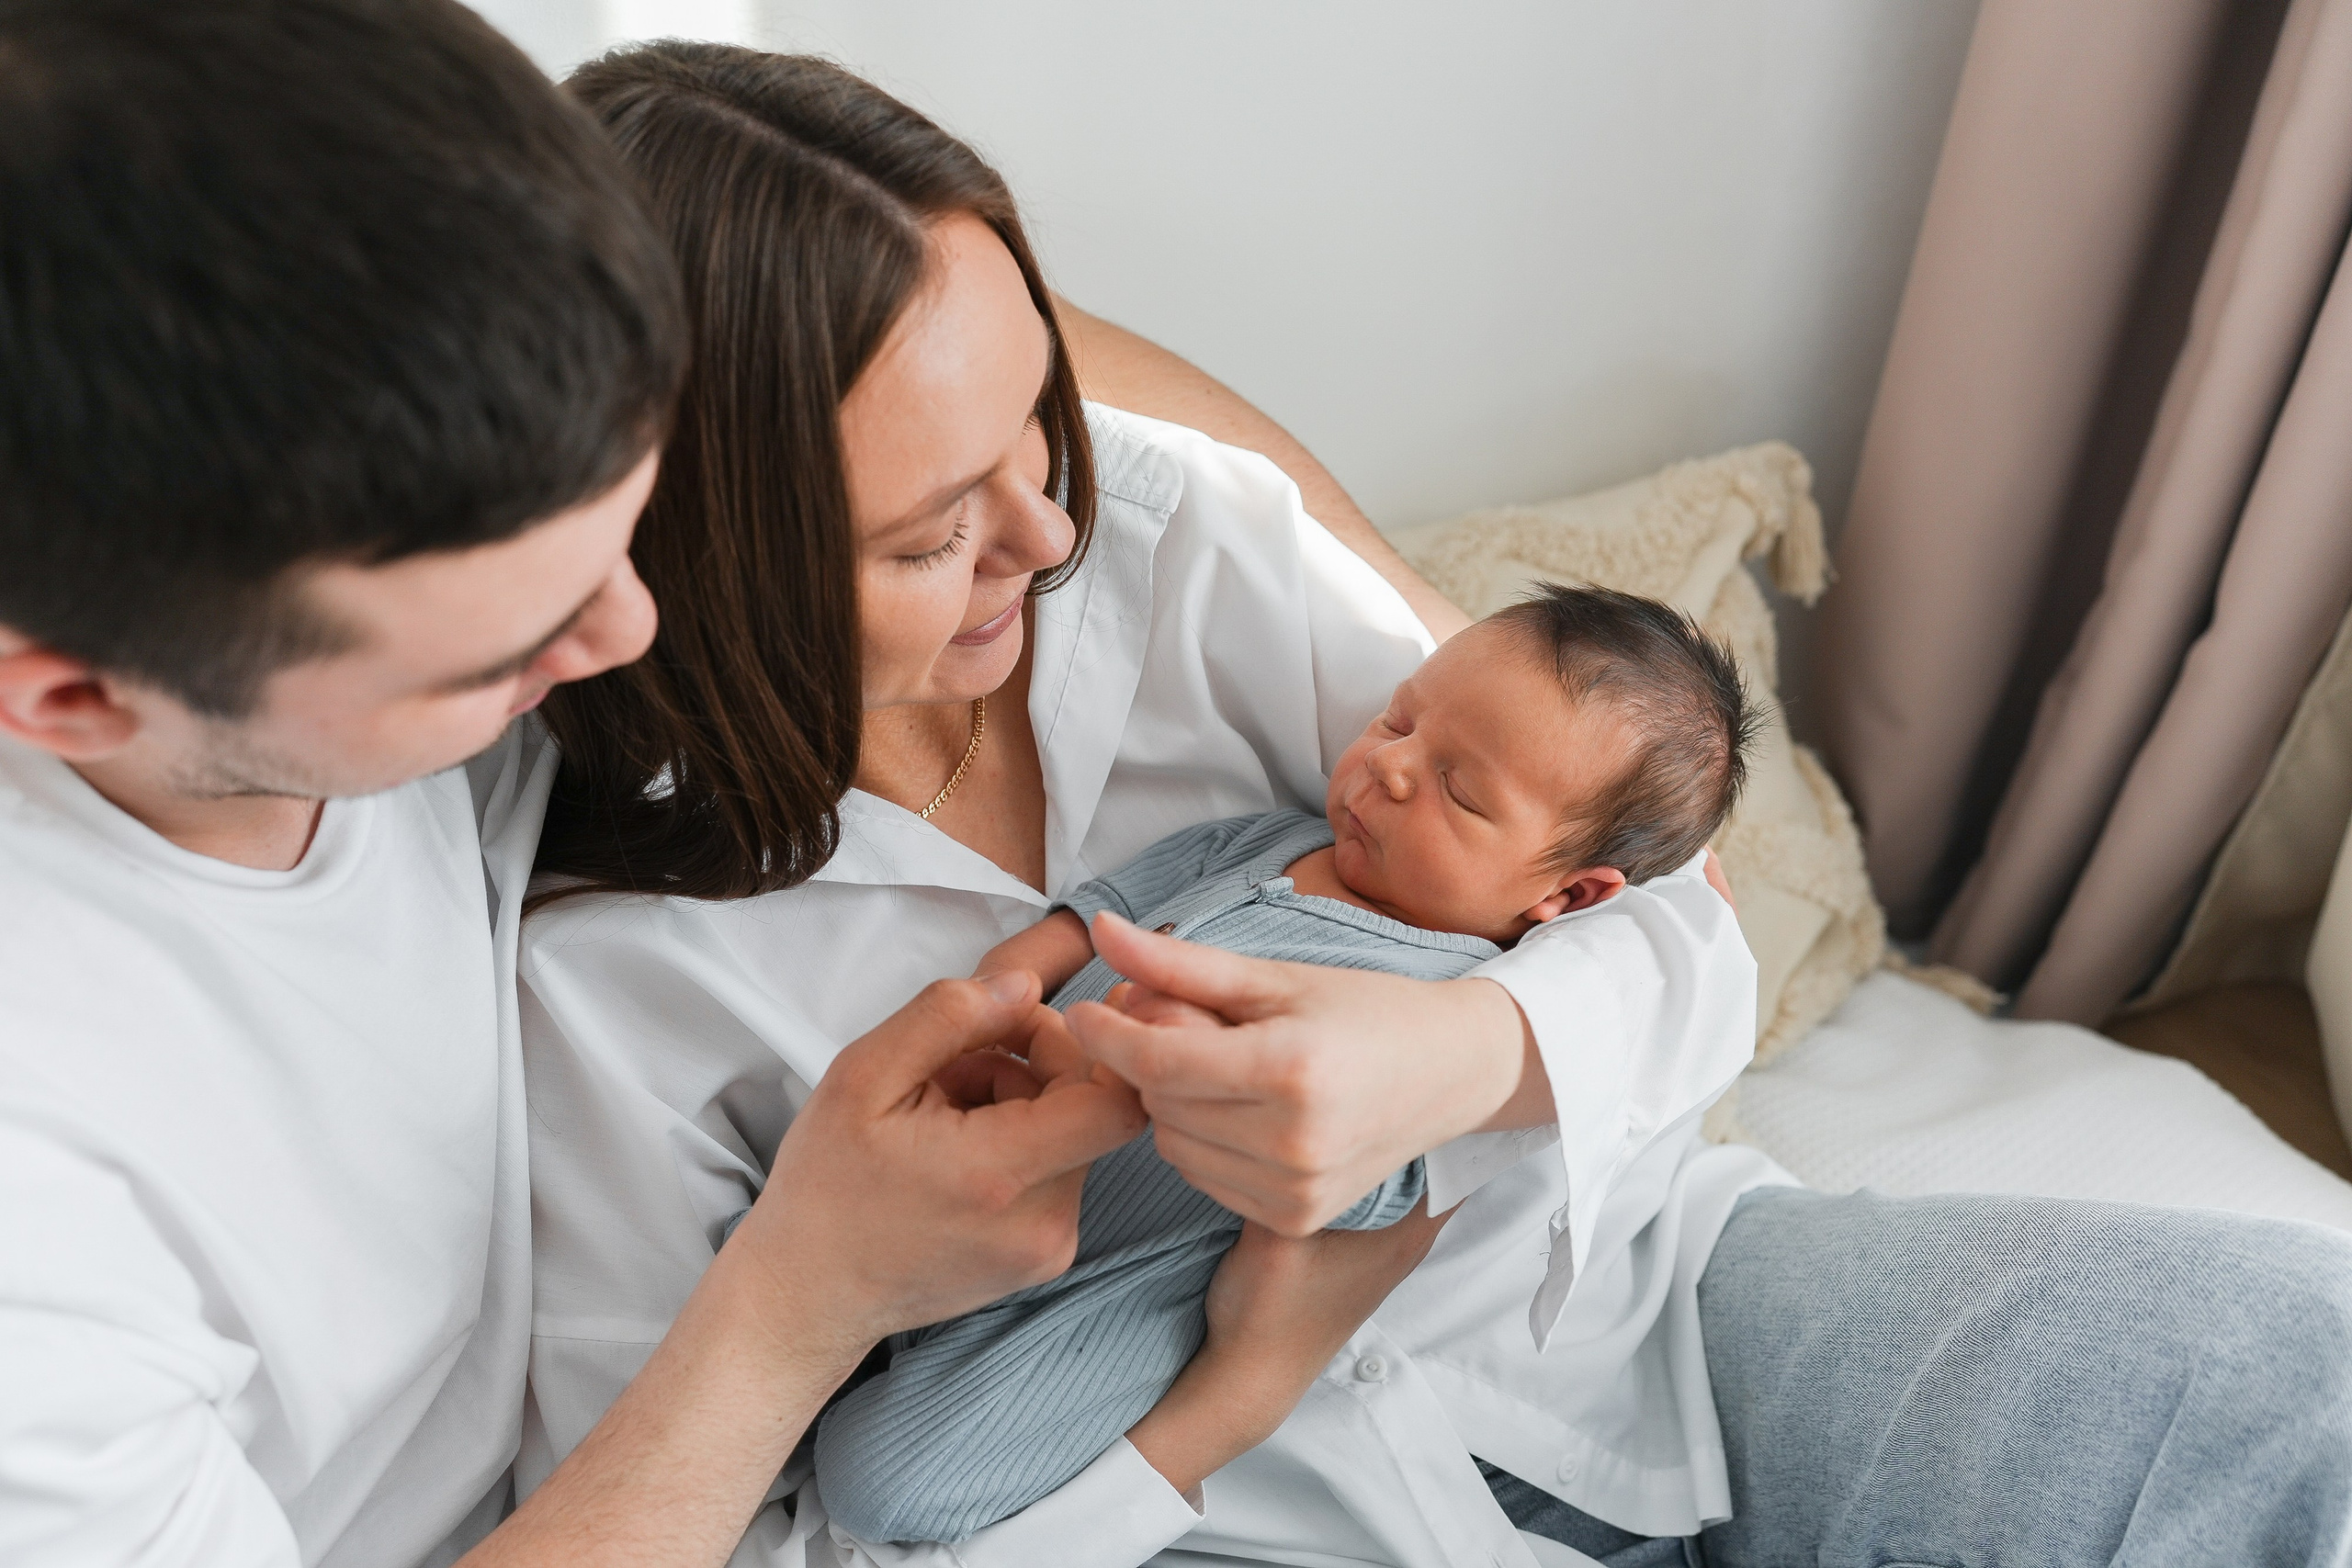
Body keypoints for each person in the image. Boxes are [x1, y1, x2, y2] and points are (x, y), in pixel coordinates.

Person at [520, 39, 2352, 1568]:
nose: (1051, 532)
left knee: (2285, 1373)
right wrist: (1216, 1408)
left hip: (1629, 1318)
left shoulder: (1175, 550)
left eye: (1039, 434)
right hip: (1185, 1519)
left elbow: (1662, 918)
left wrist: (1456, 1060)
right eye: (939, 528)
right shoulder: (610, 989)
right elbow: (769, 1529)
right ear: (712, 554)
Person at [0, 6, 1442, 1566]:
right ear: (69, 695)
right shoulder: (50, 1222)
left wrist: (1484, 684)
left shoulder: (353, 449)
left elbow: (907, 302)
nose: (630, 622)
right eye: (507, 640)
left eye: (626, 515)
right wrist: (803, 1297)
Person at [813, 586, 1760, 1546]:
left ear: (1569, 894)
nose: (1388, 767)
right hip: (993, 1163)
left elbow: (1374, 1187)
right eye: (1399, 719)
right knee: (812, 1248)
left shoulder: (1445, 997)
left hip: (1127, 1287)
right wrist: (1009, 984)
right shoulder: (1280, 839)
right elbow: (1112, 900)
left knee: (877, 1482)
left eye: (1459, 791)